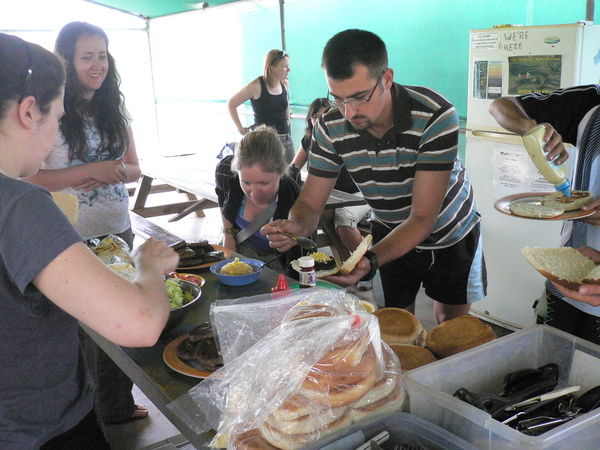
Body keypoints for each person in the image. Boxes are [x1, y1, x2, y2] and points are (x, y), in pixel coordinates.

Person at [0, 33, 179, 449]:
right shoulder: (22, 205)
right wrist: (147, 265)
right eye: (57, 118)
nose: (56, 131)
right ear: (29, 112)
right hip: (40, 429)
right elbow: (140, 323)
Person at [262, 29, 487, 324]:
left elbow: (422, 218)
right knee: (395, 320)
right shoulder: (330, 125)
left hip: (450, 231)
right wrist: (296, 226)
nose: (349, 112)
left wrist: (371, 259)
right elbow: (311, 203)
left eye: (358, 97)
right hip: (390, 229)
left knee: (451, 324)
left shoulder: (435, 115)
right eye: (338, 98)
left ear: (387, 79)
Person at [25, 21, 146, 425]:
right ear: (67, 60)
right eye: (87, 56)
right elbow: (32, 180)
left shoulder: (115, 107)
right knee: (80, 334)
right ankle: (85, 416)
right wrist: (89, 170)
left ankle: (117, 406)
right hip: (71, 238)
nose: (98, 65)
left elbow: (134, 168)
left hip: (118, 230)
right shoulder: (52, 111)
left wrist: (112, 171)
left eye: (102, 55)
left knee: (117, 324)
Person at [489, 85, 600, 343]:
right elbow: (501, 105)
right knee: (552, 369)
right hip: (569, 275)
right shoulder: (590, 104)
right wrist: (529, 128)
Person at [215, 125, 303, 273]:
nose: (254, 193)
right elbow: (221, 195)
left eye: (263, 183)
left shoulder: (293, 196)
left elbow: (301, 255)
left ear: (281, 172)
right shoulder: (226, 172)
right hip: (238, 246)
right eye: (246, 183)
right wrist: (228, 234)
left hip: (276, 260)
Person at [290, 97, 371, 254]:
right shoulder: (308, 140)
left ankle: (367, 260)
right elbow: (293, 168)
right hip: (330, 198)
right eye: (315, 117)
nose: (320, 120)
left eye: (324, 116)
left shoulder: (346, 138)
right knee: (308, 217)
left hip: (357, 195)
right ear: (309, 119)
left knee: (344, 225)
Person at [227, 49, 295, 163]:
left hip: (284, 137)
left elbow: (285, 103)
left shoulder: (284, 84)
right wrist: (240, 129)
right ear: (272, 68)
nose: (288, 70)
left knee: (290, 174)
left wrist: (287, 119)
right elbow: (231, 104)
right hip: (263, 141)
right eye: (284, 66)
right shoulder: (256, 86)